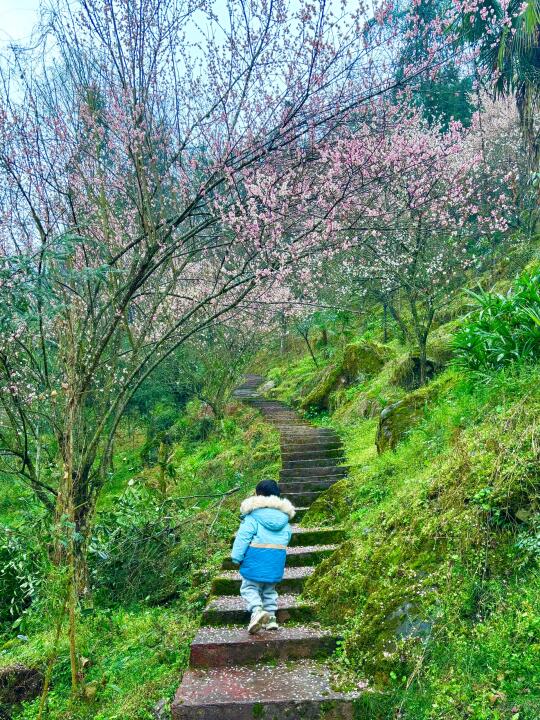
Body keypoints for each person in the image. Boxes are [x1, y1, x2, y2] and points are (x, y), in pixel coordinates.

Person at [231, 479, 295, 634]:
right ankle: (271, 618)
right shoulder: (284, 519)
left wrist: (236, 557)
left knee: (249, 587)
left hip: (255, 557)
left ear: (258, 495)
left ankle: (257, 611)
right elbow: (287, 537)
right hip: (275, 560)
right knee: (269, 590)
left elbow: (243, 537)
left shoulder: (253, 516)